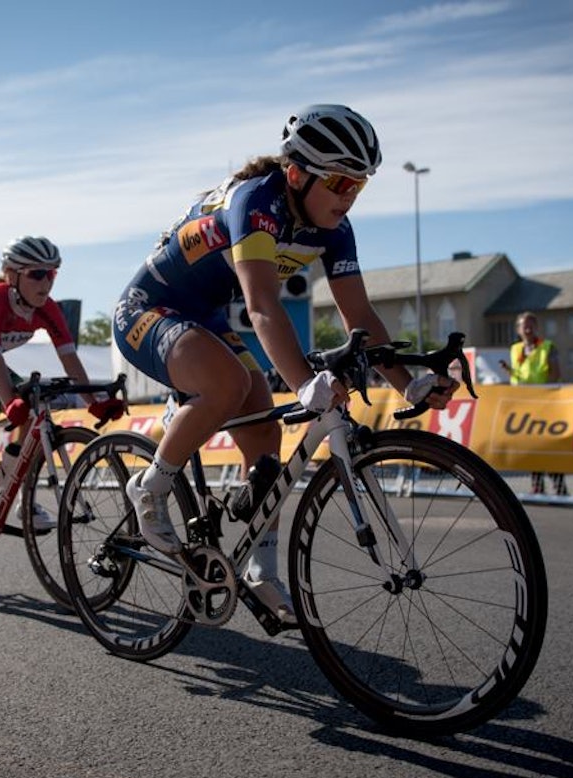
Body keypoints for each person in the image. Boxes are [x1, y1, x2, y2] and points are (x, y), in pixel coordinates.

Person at [112, 104, 458, 625]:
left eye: (358, 186)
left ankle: (259, 566)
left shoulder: (335, 229)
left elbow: (359, 316)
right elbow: (262, 307)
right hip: (149, 307)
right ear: (296, 173)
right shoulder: (257, 202)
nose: (348, 197)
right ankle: (151, 487)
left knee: (263, 437)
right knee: (228, 383)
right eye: (340, 181)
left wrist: (408, 384)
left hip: (203, 316)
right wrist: (304, 383)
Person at [0, 235, 124, 536]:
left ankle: (13, 487)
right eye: (37, 274)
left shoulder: (48, 308)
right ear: (11, 275)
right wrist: (9, 403)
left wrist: (93, 401)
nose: (46, 282)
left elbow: (70, 361)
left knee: (34, 416)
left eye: (52, 273)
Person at [499, 311, 568, 496]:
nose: (527, 329)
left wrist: (545, 394)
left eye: (531, 325)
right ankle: (537, 485)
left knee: (549, 447)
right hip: (524, 405)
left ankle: (559, 486)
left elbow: (555, 372)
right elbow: (521, 375)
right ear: (518, 329)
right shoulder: (515, 349)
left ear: (536, 328)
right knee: (531, 447)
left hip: (544, 404)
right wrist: (508, 371)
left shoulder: (547, 347)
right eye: (524, 325)